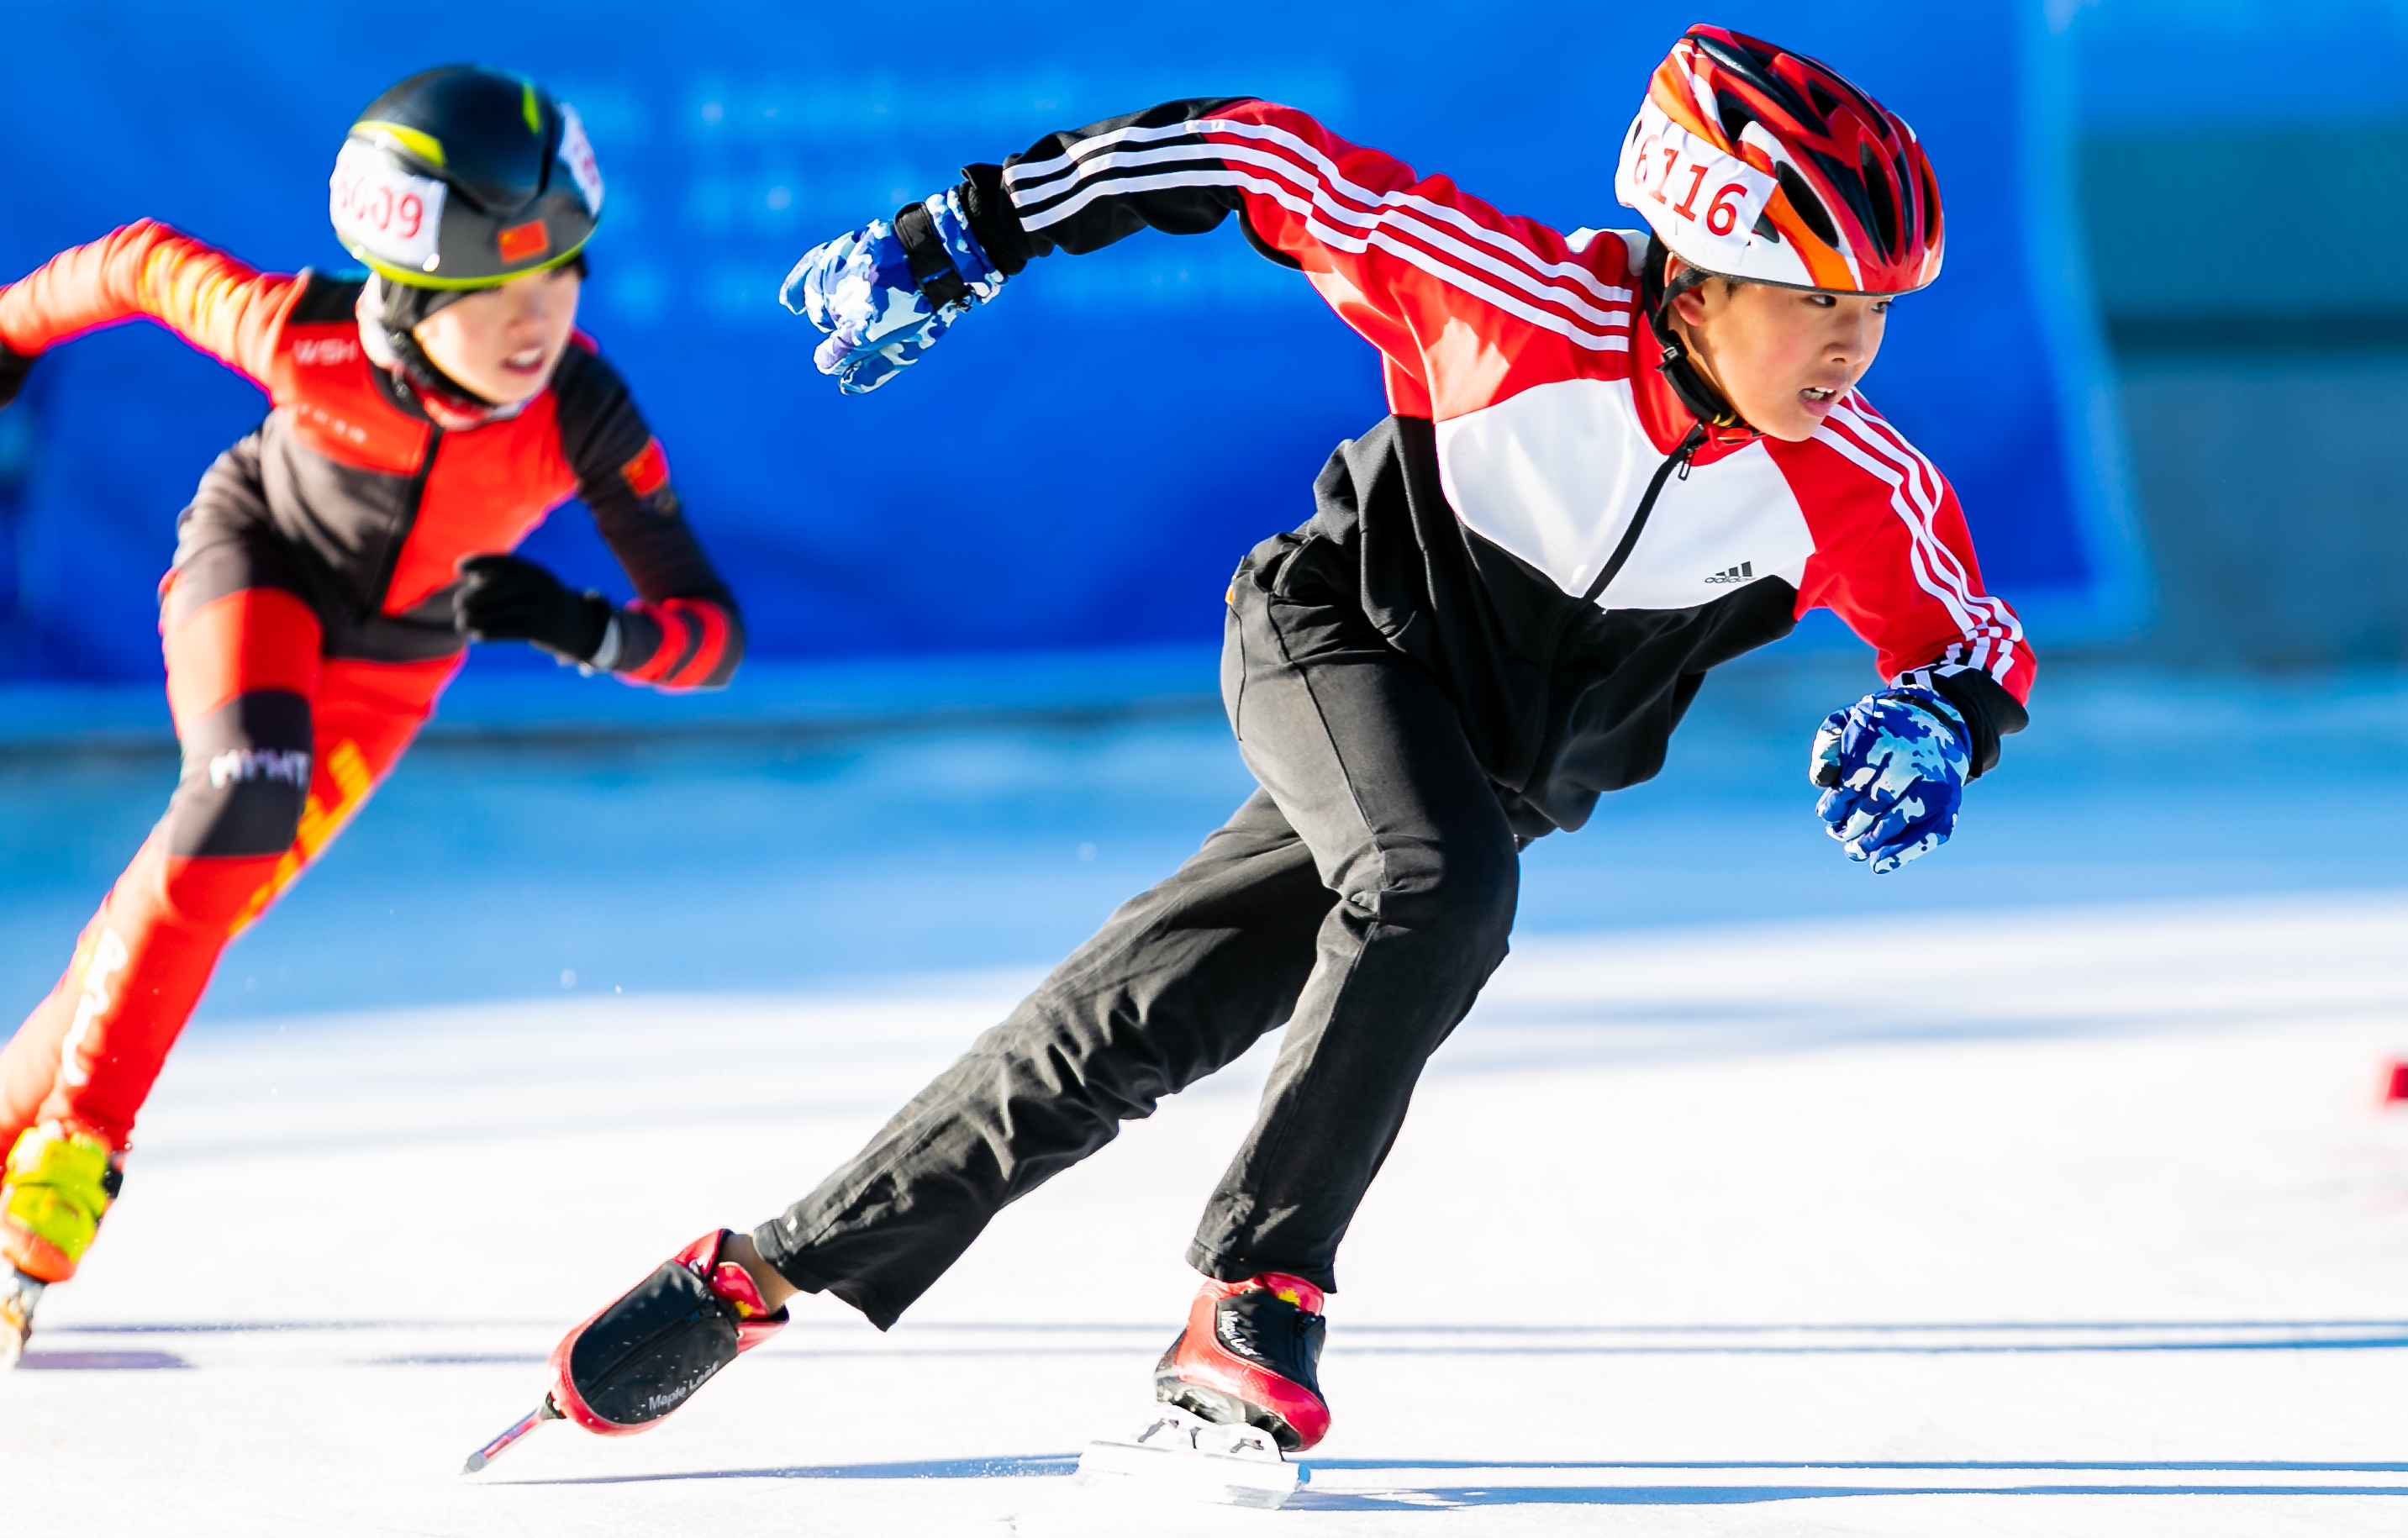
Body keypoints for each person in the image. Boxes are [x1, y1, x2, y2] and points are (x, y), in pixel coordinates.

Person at [522, 26, 2031, 1458]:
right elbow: (1249, 153)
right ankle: (1257, 1292)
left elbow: (1969, 638)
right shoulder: (1508, 304)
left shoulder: (1850, 480)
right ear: (1693, 283)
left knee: (1125, 1026)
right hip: (1334, 641)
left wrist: (1938, 722)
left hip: (1475, 783)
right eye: (1816, 301)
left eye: (1876, 310)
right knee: (1438, 883)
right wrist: (968, 231)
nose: (1853, 346)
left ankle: (759, 1271)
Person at [0, 65, 743, 1362]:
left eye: (561, 273)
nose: (537, 321)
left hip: (393, 666)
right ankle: (74, 1159)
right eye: (494, 291)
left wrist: (587, 628)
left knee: (190, 901)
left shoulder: (584, 409)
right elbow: (131, 264)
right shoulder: (305, 333)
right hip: (261, 561)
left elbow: (710, 636)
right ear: (409, 288)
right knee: (239, 801)